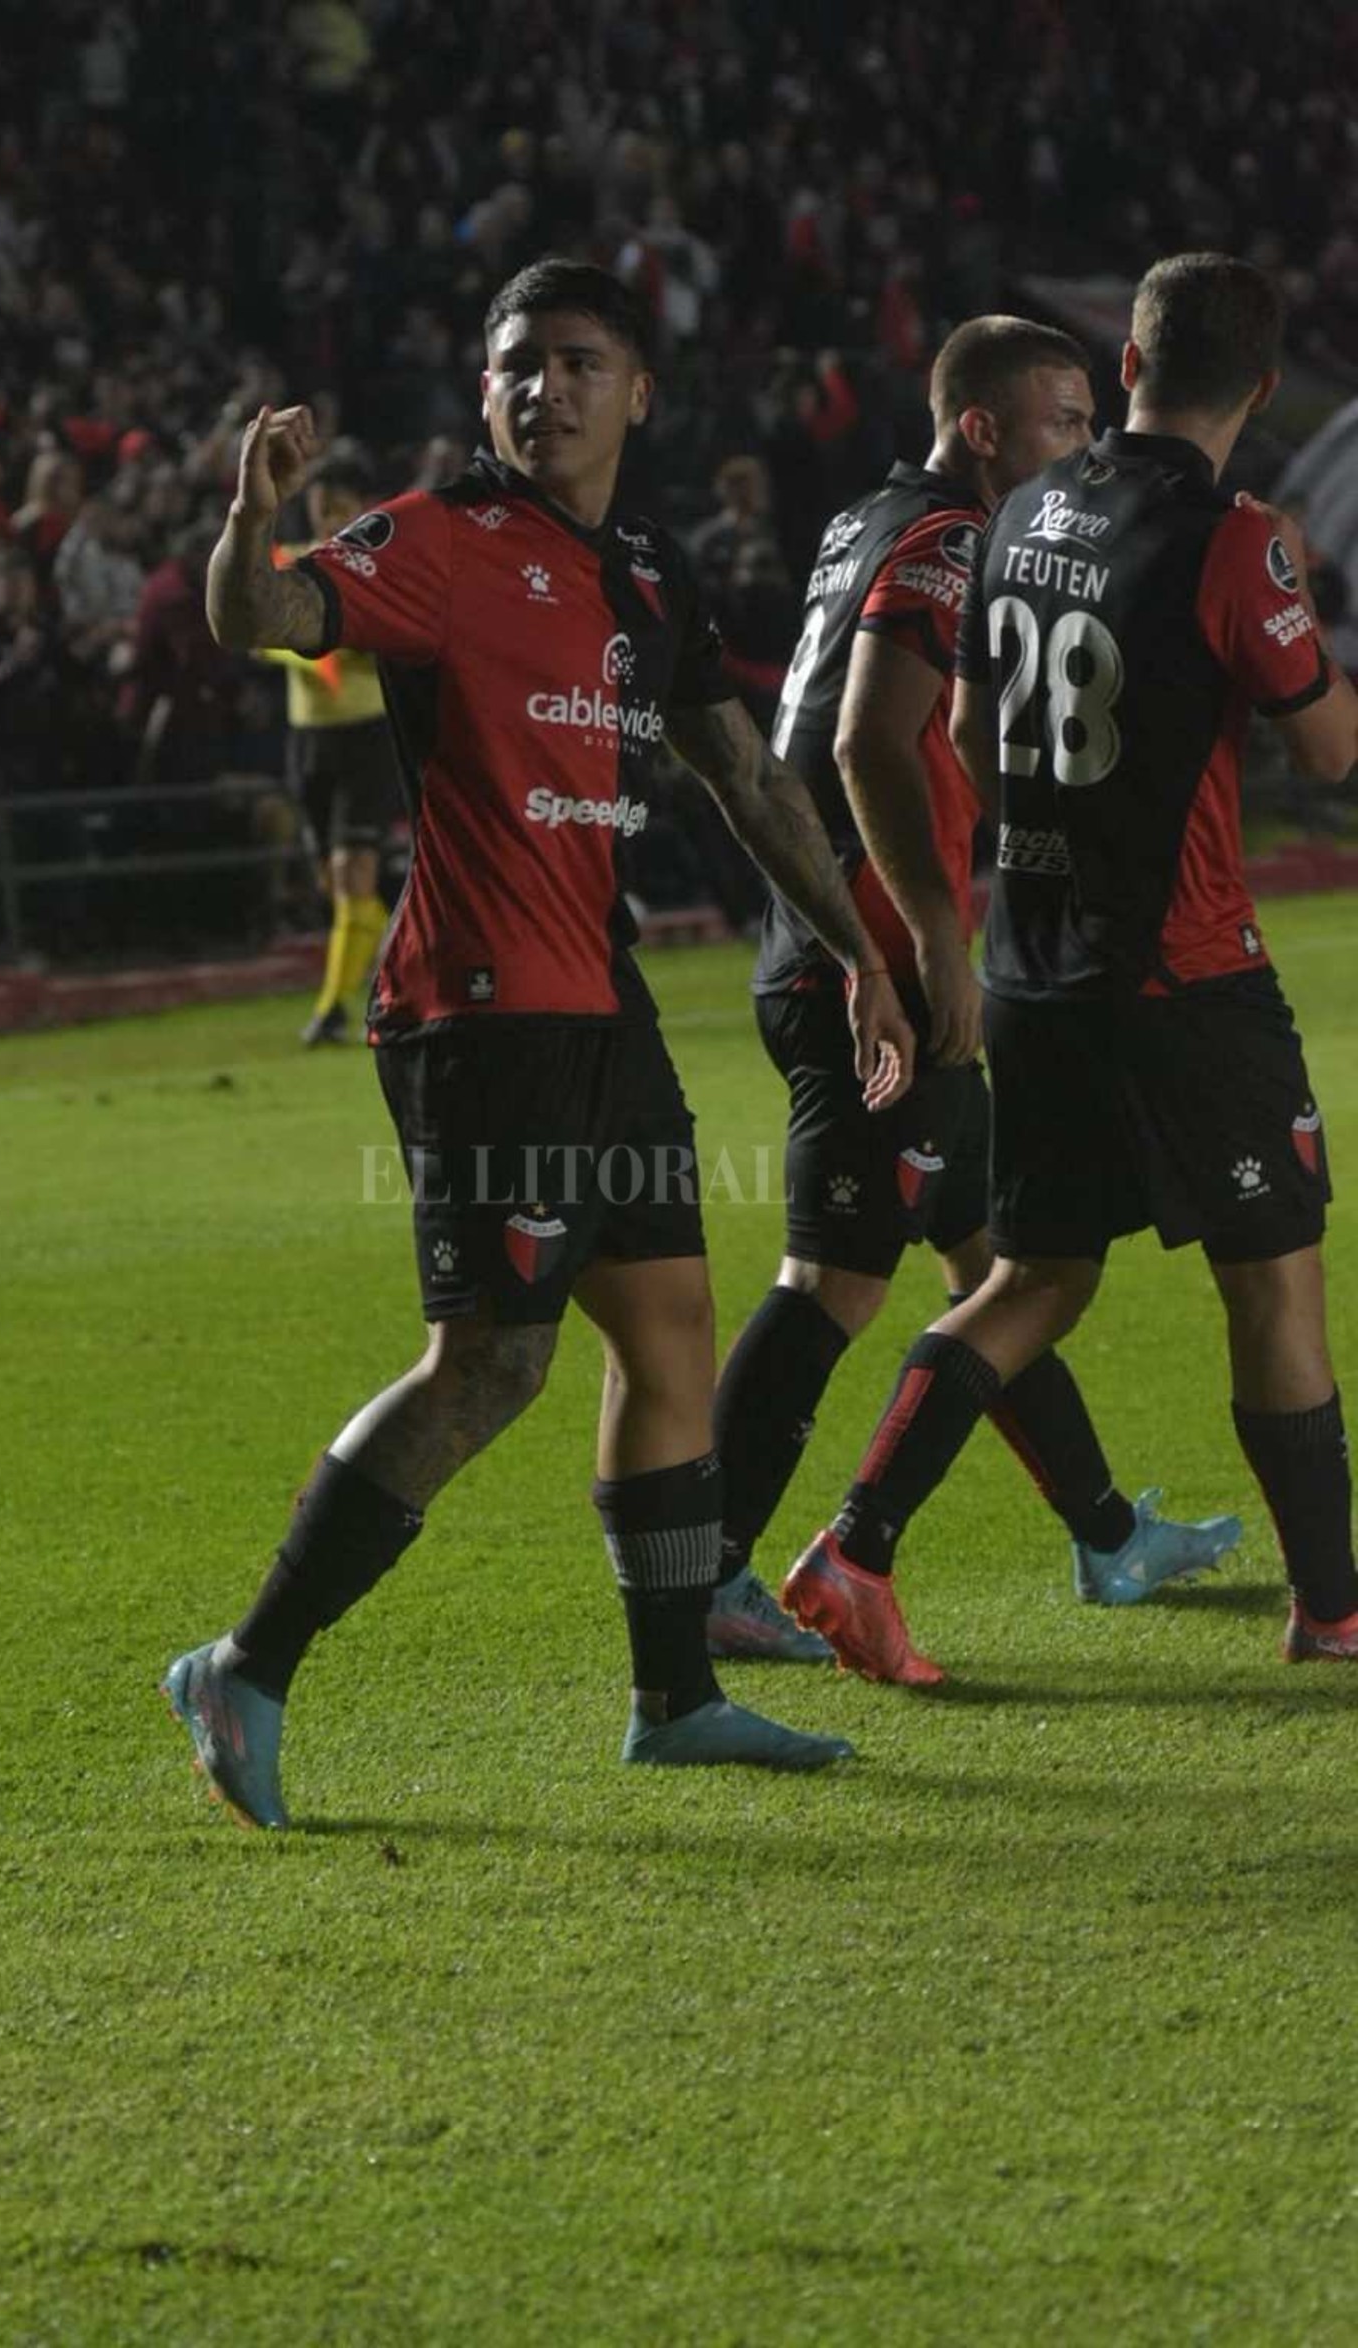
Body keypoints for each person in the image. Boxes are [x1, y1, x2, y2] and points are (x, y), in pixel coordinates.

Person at [162, 257, 917, 1827]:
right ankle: (244, 1662)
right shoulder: (442, 539)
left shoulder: (649, 568)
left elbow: (743, 777)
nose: (542, 387)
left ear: (636, 390)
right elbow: (262, 613)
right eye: (518, 362)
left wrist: (862, 955)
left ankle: (675, 1700)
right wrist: (251, 516)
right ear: (485, 386)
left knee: (669, 1339)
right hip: (480, 1005)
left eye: (577, 361)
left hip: (604, 999)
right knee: (493, 1361)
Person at [780, 253, 1358, 1680]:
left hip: (1034, 966)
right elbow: (1329, 748)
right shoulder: (1237, 540)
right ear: (1265, 389)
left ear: (1128, 363)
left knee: (1032, 1276)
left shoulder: (1021, 512)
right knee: (1274, 1283)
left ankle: (852, 1546)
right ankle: (1334, 1608)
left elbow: (972, 741)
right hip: (1185, 973)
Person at [707, 316, 1241, 1667]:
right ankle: (704, 1574)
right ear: (987, 428)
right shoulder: (953, 542)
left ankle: (1107, 1532)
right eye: (1067, 420)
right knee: (833, 1280)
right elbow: (862, 738)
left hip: (832, 941)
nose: (1087, 443)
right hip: (874, 960)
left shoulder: (869, 519)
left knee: (997, 1272)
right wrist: (925, 939)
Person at [255, 443, 407, 1045]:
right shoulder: (288, 564)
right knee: (335, 883)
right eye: (319, 507)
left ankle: (334, 1010)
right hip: (309, 742)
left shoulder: (381, 570)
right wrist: (320, 649)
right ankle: (392, 963)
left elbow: (394, 643)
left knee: (353, 873)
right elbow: (259, 632)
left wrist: (345, 645)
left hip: (368, 737)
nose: (326, 520)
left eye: (338, 507)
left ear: (364, 509)